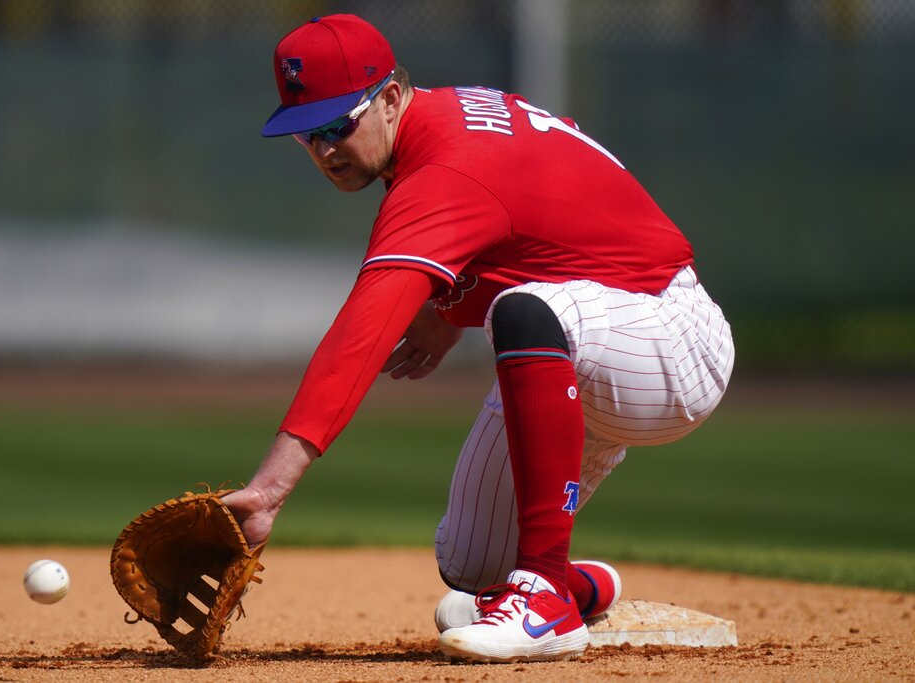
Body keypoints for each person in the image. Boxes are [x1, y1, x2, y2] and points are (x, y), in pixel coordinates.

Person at [222, 13, 734, 663]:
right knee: (471, 566)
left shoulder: (443, 170)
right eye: (305, 135)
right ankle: (584, 588)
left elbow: (363, 330)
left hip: (671, 335)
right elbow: (546, 214)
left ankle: (545, 592)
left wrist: (269, 489)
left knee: (523, 312)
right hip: (599, 331)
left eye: (334, 127)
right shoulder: (449, 115)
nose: (323, 150)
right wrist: (450, 310)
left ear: (388, 97)